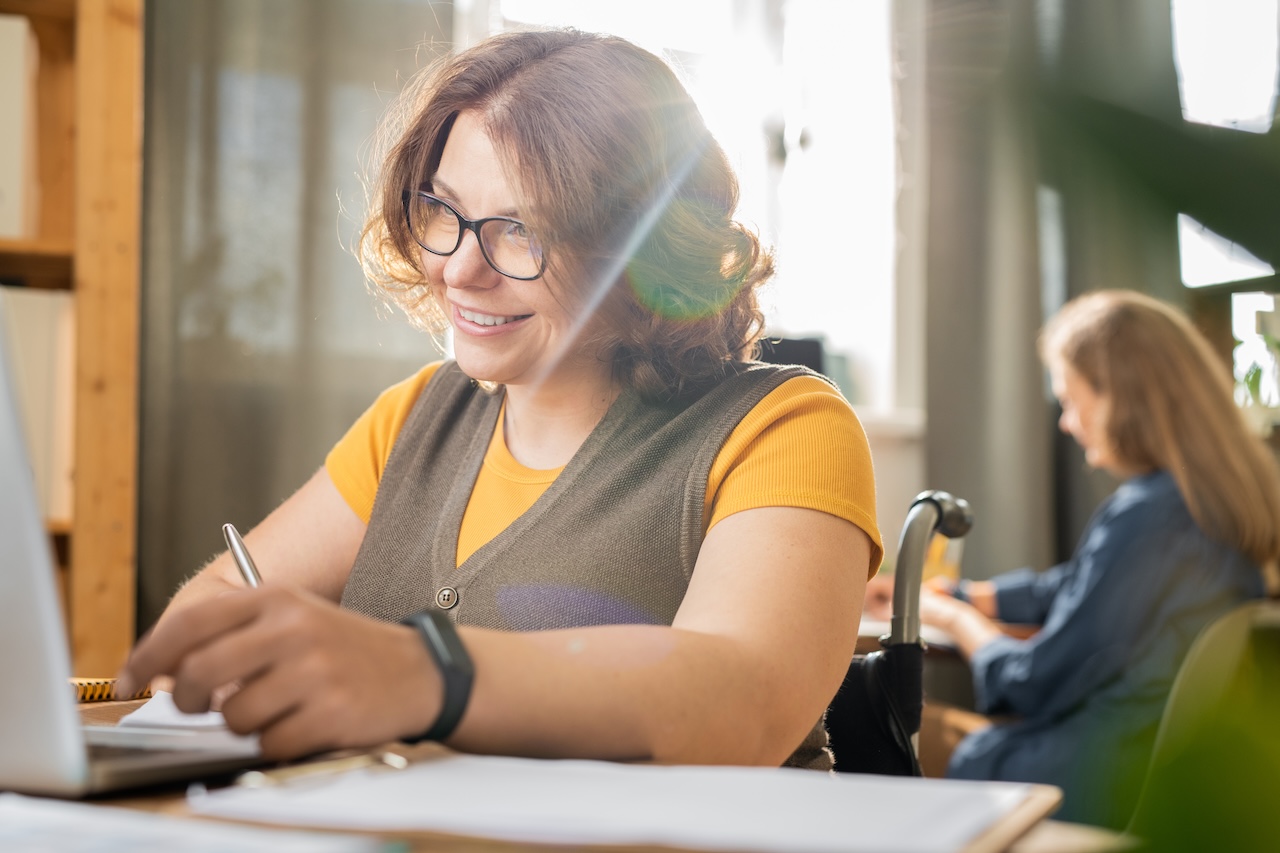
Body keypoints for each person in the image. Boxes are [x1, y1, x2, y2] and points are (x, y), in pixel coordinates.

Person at [115, 29, 882, 771]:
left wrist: (422, 674)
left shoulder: (785, 428)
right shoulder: (416, 415)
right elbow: (219, 598)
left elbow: (742, 703)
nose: (459, 269)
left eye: (521, 230)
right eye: (444, 212)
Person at [911, 290, 1280, 828]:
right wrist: (972, 594)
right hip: (1161, 764)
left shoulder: (1146, 515)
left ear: (1119, 397)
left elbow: (1032, 682)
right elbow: (1087, 584)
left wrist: (956, 620)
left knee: (893, 725)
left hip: (1101, 777)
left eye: (1071, 398)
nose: (1066, 421)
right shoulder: (1205, 508)